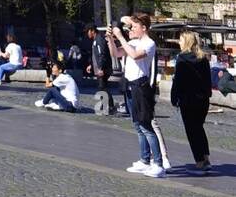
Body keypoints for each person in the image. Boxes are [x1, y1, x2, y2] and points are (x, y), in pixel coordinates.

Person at [109, 13, 166, 178]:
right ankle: (144, 160)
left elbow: (134, 55)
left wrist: (120, 36)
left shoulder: (149, 44)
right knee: (137, 125)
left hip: (141, 86)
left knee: (146, 126)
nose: (130, 30)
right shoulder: (133, 42)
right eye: (130, 27)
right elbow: (116, 54)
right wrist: (111, 40)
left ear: (144, 28)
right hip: (130, 85)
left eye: (134, 27)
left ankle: (158, 164)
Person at [171, 31, 212, 172]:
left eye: (181, 40)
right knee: (199, 128)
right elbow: (208, 80)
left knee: (191, 131)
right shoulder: (203, 58)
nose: (179, 42)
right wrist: (207, 95)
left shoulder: (182, 58)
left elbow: (178, 81)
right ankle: (206, 158)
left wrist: (174, 97)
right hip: (202, 100)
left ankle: (199, 161)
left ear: (187, 42)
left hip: (188, 100)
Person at [86, 23, 114, 114]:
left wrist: (101, 68)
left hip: (103, 69)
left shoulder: (99, 39)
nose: (87, 34)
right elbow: (96, 55)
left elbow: (102, 54)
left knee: (102, 87)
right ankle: (107, 106)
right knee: (102, 87)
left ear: (92, 31)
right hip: (99, 68)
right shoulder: (95, 40)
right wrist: (91, 65)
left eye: (88, 32)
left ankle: (108, 106)